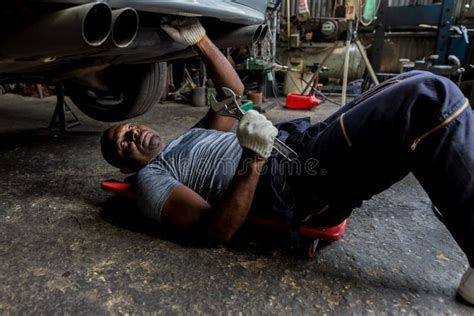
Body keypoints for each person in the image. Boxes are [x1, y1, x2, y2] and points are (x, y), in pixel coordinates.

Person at [100, 18, 474, 304]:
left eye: (131, 126)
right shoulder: (152, 178)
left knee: (414, 91)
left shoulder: (191, 135)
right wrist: (252, 157)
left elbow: (233, 94)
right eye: (124, 143)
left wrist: (200, 40)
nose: (133, 134)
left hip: (299, 149)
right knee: (429, 97)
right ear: (124, 167)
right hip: (295, 185)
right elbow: (216, 231)